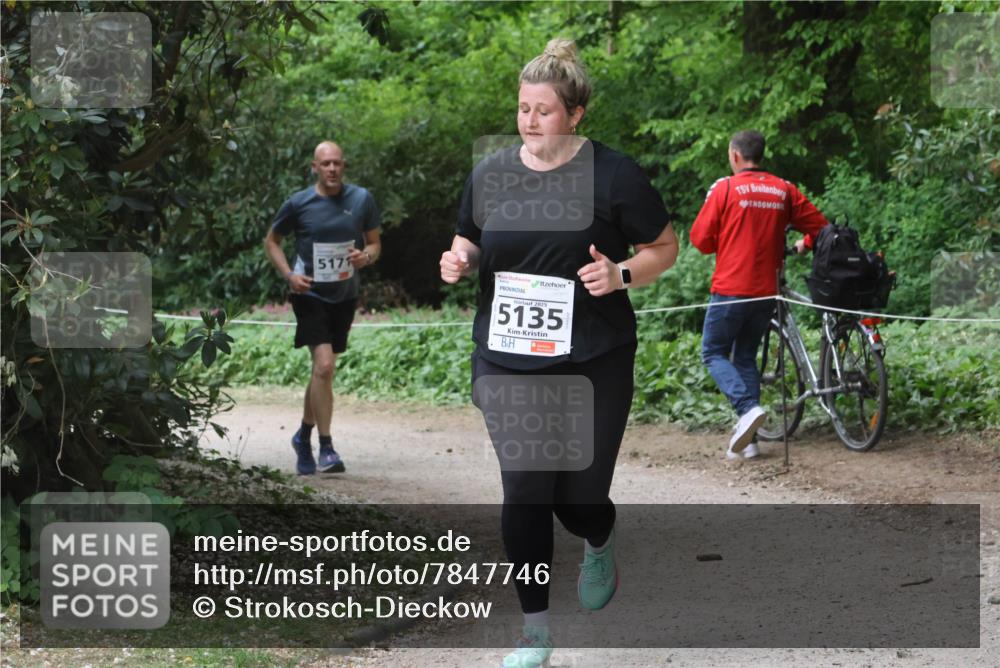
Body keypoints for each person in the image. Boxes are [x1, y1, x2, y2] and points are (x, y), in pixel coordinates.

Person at [440, 39, 678, 668]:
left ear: (574, 114)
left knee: (577, 498)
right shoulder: (491, 172)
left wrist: (620, 275)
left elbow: (664, 246)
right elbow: (467, 236)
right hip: (507, 357)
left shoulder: (613, 174)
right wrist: (459, 258)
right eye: (523, 108)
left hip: (592, 357)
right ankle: (535, 633)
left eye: (543, 110)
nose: (529, 120)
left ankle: (599, 535)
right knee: (524, 488)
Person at [690, 130, 827, 459]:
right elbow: (821, 229)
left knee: (713, 352)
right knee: (746, 356)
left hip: (730, 288)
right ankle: (749, 442)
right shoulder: (783, 189)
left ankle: (747, 408)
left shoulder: (725, 188)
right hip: (768, 292)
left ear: (735, 155)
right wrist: (803, 245)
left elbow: (700, 240)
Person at [264, 141, 381, 475]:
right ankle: (326, 447)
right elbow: (272, 241)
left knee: (321, 371)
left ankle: (302, 436)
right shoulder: (299, 203)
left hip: (344, 295)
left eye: (337, 164)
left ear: (344, 166)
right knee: (325, 365)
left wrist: (366, 256)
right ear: (314, 167)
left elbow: (374, 243)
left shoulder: (361, 199)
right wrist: (289, 275)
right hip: (309, 294)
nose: (332, 169)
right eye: (325, 164)